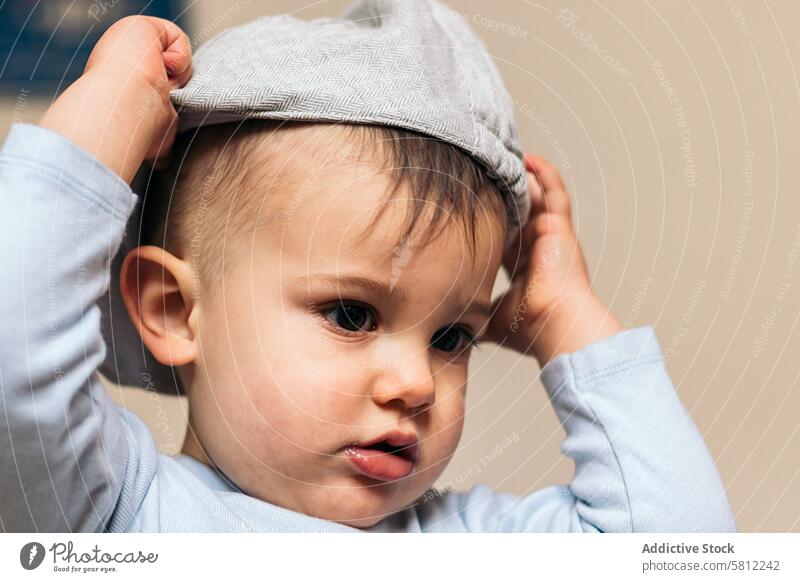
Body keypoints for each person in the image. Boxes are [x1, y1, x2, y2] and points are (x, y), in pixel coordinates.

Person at [0, 7, 735, 532]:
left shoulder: (465, 541)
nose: (417, 384)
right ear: (172, 310)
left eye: (452, 337)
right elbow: (15, 359)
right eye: (352, 314)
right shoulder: (110, 512)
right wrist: (101, 123)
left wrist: (565, 316)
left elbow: (679, 549)